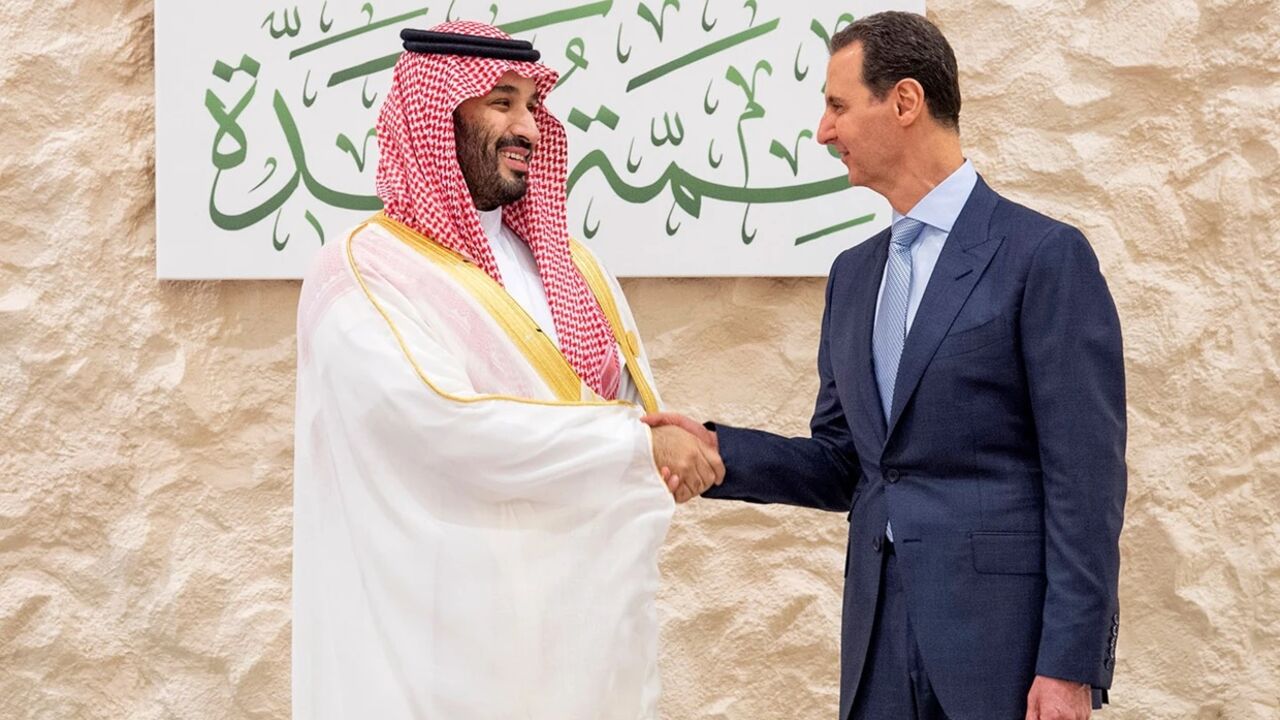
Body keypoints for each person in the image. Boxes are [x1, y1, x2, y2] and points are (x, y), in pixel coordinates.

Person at [646, 11, 1126, 720]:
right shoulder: (854, 276)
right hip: (877, 640)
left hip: (1004, 651)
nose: (823, 131)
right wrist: (722, 452)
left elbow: (1086, 484)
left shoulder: (1043, 258)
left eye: (837, 106)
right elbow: (849, 462)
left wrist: (1069, 665)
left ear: (904, 102)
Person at [292, 21, 721, 720]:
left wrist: (662, 445)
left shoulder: (576, 268)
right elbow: (436, 425)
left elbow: (625, 405)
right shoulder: (362, 273)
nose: (528, 126)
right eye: (501, 102)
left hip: (575, 642)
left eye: (532, 104)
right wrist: (634, 448)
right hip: (435, 646)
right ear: (435, 117)